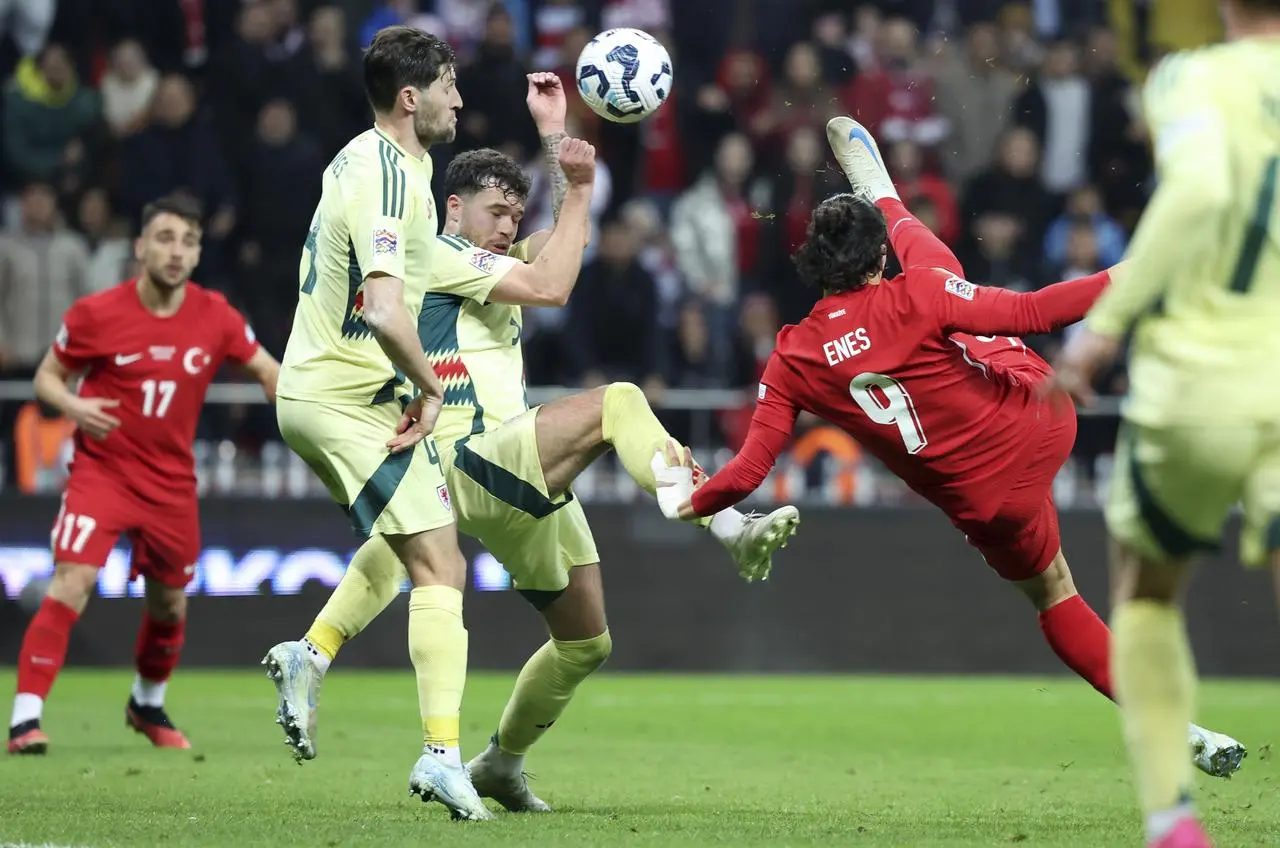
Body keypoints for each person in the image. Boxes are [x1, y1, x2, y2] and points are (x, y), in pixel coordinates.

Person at [265, 73, 801, 813]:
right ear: (454, 208)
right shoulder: (437, 254)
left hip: (508, 466)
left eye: (516, 214)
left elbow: (564, 242)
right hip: (473, 453)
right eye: (495, 211)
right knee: (618, 401)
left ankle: (499, 763)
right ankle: (728, 521)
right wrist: (573, 184)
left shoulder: (497, 257)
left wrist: (557, 140)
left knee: (586, 642)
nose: (508, 225)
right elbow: (554, 280)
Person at [656, 116, 1246, 783]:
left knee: (1055, 595)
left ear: (811, 266)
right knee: (960, 300)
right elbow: (1041, 312)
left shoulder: (790, 356)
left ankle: (1171, 726)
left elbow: (750, 470)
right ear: (877, 260)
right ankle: (889, 201)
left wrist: (690, 500)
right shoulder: (919, 289)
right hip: (1038, 421)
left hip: (985, 505)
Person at [264, 32, 591, 821]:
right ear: (411, 97)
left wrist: (557, 147)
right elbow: (381, 307)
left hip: (344, 392)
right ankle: (440, 756)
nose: (460, 99)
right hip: (337, 396)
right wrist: (428, 386)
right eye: (448, 86)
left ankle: (312, 658)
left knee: (427, 555)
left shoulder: (388, 170)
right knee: (440, 567)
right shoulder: (384, 174)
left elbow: (543, 273)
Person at [1048, 3, 1280, 845]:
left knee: (1145, 600)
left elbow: (1203, 190)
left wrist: (1106, 328)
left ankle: (1173, 818)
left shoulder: (1189, 77)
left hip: (1197, 386)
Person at [7, 193, 279, 755]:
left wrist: (308, 413)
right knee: (73, 580)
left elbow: (268, 371)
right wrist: (75, 407)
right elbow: (47, 378)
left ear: (199, 253)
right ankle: (25, 719)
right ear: (139, 247)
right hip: (101, 474)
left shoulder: (216, 315)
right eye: (164, 238)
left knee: (170, 604)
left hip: (171, 483)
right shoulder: (96, 314)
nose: (176, 252)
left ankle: (146, 702)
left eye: (187, 241)